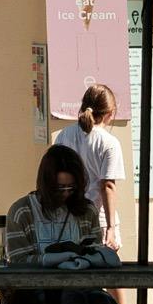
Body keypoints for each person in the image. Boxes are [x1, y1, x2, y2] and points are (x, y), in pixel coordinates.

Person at [47, 84, 128, 252]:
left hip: (67, 213)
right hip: (98, 218)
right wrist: (111, 227)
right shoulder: (109, 143)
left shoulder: (64, 135)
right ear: (110, 113)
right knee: (103, 268)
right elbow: (108, 186)